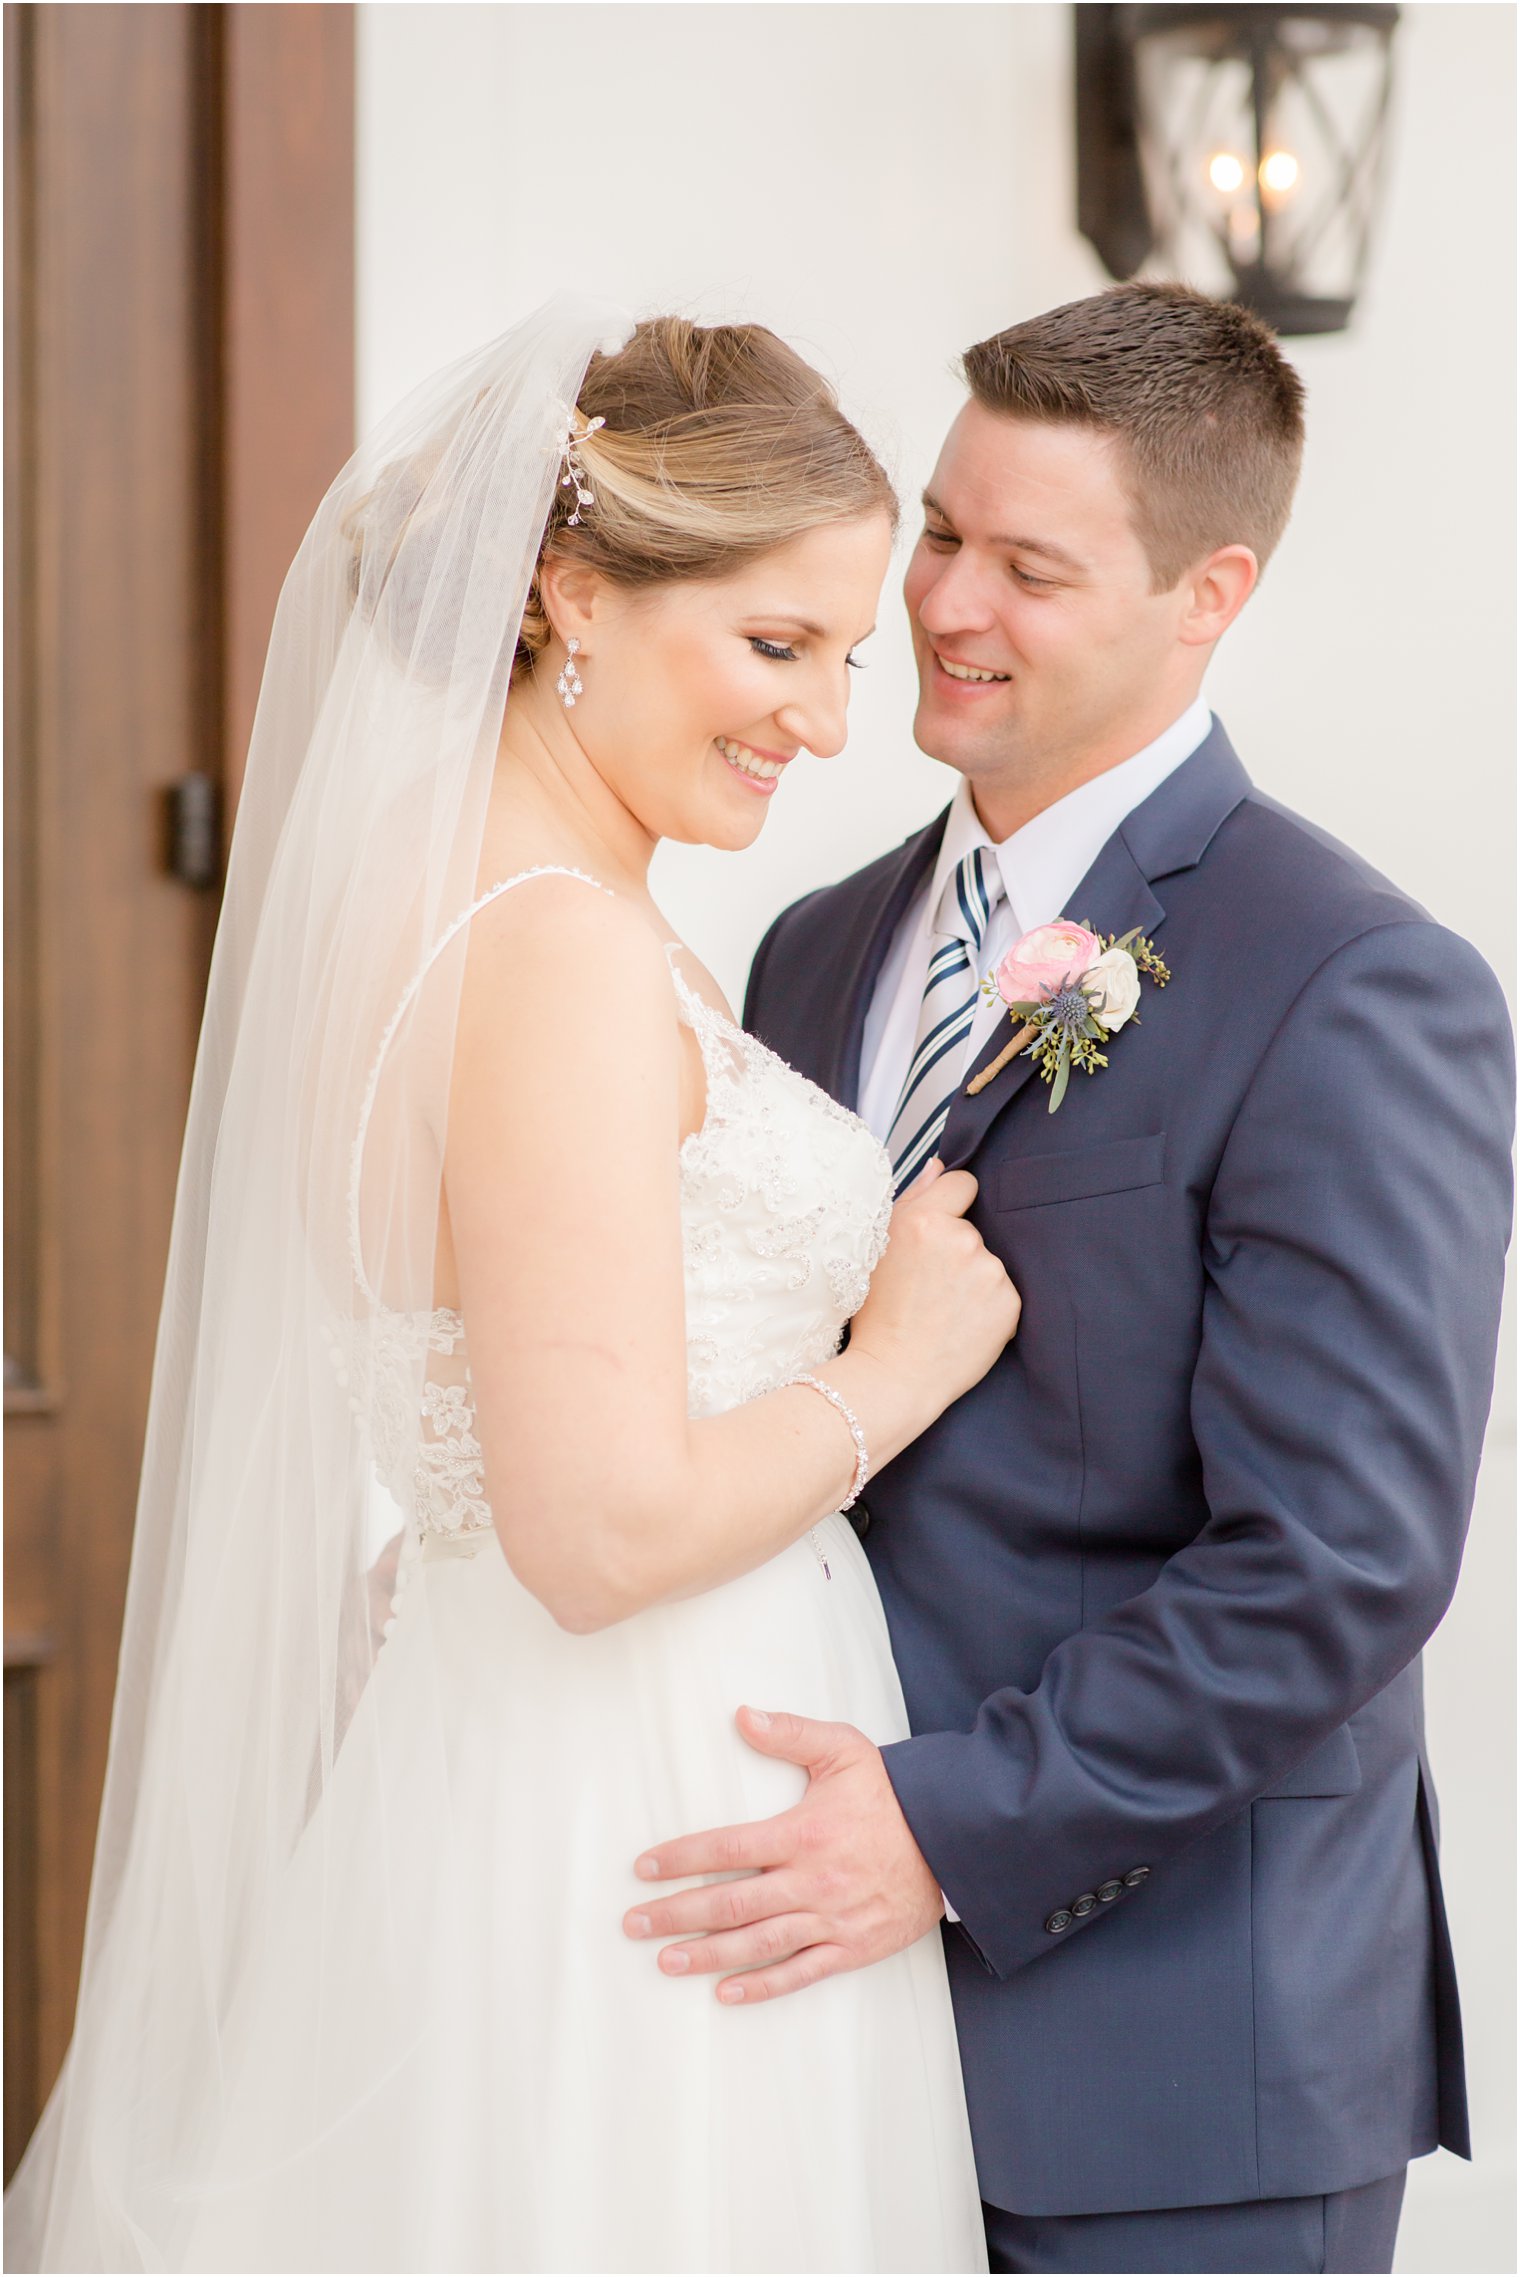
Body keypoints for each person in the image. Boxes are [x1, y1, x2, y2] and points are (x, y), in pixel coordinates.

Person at [4, 301, 1015, 2271]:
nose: (822, 723)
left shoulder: (452, 891)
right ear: (570, 590)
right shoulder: (545, 945)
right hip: (639, 1808)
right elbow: (597, 1525)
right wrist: (897, 1361)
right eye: (773, 644)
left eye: (845, 658)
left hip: (529, 1751)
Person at [630, 282, 1515, 2277]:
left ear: (1208, 593)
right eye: (942, 530)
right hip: (812, 2023)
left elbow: (1339, 1560)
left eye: (1027, 566)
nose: (942, 602)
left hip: (1173, 2054)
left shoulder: (1351, 982)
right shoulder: (810, 946)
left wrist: (943, 1821)